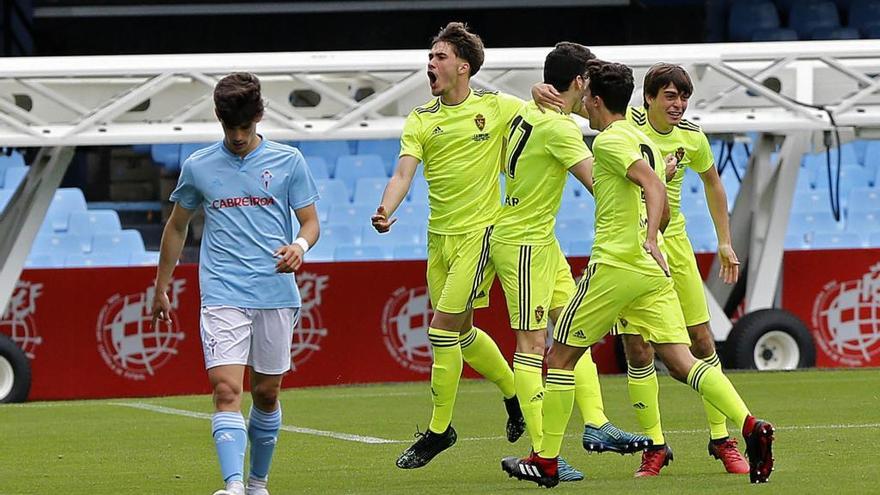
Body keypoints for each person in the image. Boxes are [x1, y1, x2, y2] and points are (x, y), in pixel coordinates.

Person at [501, 60, 775, 488]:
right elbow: (656, 186)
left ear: (594, 99)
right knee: (684, 361)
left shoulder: (611, 141)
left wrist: (647, 235)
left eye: (585, 96)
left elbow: (652, 185)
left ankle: (546, 460)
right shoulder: (637, 135)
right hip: (652, 271)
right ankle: (750, 425)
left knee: (558, 359)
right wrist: (540, 90)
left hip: (615, 266)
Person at [486, 42, 652, 482]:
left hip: (542, 241)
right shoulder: (559, 130)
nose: (592, 88)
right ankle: (544, 451)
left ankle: (596, 424)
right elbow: (600, 181)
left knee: (571, 329)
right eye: (589, 79)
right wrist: (648, 176)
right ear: (579, 82)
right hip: (522, 243)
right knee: (532, 345)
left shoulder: (531, 109)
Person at [150, 72, 320, 495]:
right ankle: (234, 485)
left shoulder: (289, 162)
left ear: (259, 117)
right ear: (219, 120)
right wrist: (161, 286)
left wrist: (299, 246)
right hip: (223, 292)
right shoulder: (199, 166)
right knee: (226, 389)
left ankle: (258, 484)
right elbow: (176, 227)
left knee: (266, 393)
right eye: (231, 128)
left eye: (245, 127)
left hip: (275, 294)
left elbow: (311, 222)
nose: (238, 136)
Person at [371, 21, 529, 469]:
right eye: (430, 57)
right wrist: (385, 208)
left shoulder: (496, 107)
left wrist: (550, 97)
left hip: (480, 236)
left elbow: (542, 118)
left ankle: (440, 431)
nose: (430, 64)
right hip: (438, 239)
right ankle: (514, 394)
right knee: (460, 333)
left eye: (439, 57)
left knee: (440, 331)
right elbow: (403, 173)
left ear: (463, 67)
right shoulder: (422, 118)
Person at [614, 63, 747, 476]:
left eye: (683, 96)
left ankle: (722, 438)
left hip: (675, 248)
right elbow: (585, 101)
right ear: (649, 98)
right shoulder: (627, 128)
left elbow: (714, 182)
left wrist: (724, 240)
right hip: (632, 248)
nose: (679, 104)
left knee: (702, 341)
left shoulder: (692, 136)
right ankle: (655, 445)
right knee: (637, 347)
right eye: (670, 96)